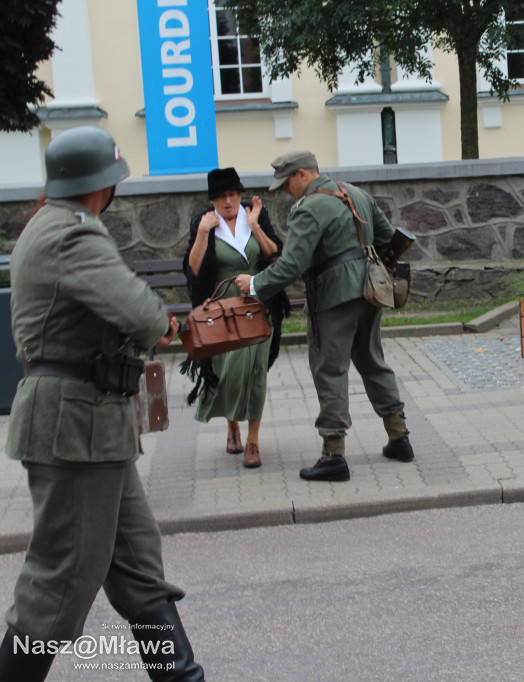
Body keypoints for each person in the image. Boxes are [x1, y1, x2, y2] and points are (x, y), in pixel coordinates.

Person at [0, 127, 204, 679]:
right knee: (57, 584)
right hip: (75, 427)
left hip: (94, 429)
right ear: (100, 184)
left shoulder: (50, 226)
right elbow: (137, 310)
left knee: (139, 568)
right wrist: (161, 320)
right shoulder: (71, 233)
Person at [234, 151, 414, 482]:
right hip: (371, 291)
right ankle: (399, 438)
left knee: (329, 369)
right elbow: (389, 240)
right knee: (372, 360)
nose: (286, 192)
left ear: (302, 174)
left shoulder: (309, 209)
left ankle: (334, 456)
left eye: (287, 183)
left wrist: (255, 285)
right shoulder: (356, 193)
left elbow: (292, 266)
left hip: (332, 297)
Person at [181, 167, 290, 469]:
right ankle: (232, 426)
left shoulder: (254, 215)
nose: (228, 201)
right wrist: (203, 232)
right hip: (223, 312)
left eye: (232, 194)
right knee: (228, 372)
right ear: (213, 199)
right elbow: (193, 267)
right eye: (221, 196)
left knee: (256, 372)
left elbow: (275, 256)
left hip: (258, 304)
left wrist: (255, 226)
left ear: (240, 194)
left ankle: (253, 442)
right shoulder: (204, 222)